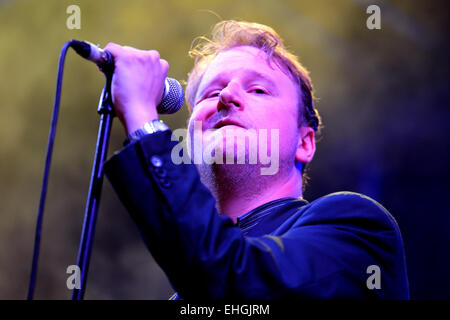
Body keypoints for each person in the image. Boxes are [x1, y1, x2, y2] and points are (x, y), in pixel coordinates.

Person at [102, 20, 409, 299]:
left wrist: (143, 119)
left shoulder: (357, 229)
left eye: (259, 90)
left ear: (304, 142)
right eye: (211, 93)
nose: (227, 96)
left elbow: (238, 282)